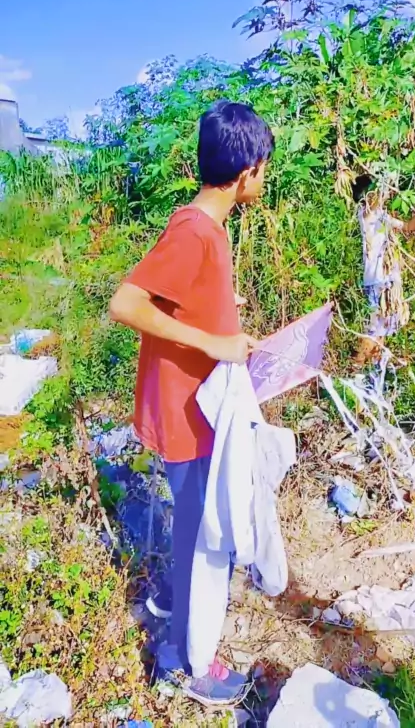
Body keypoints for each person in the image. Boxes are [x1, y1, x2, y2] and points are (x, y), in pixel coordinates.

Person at [109, 100, 274, 705]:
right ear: (247, 171)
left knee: (193, 526)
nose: (264, 177)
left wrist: (226, 326)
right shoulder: (195, 231)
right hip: (189, 415)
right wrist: (214, 343)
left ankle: (170, 602)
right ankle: (187, 662)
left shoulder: (208, 226)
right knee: (207, 538)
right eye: (264, 168)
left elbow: (185, 305)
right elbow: (126, 304)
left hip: (197, 404)